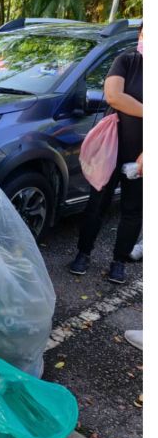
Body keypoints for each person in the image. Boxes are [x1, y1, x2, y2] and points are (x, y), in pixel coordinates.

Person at [68, 28, 143, 284]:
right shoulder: (127, 60)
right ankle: (83, 253)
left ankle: (119, 262)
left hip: (144, 155)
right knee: (97, 203)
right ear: (142, 34)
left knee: (133, 210)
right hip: (111, 149)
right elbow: (114, 96)